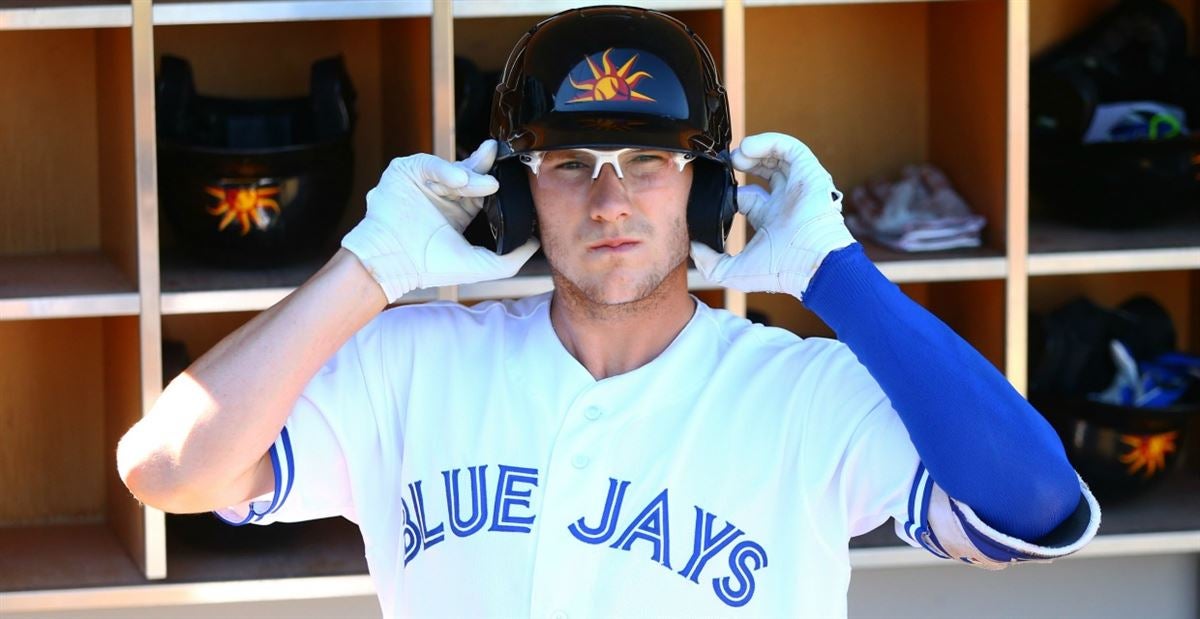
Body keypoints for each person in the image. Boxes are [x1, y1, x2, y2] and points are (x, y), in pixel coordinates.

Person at [118, 6, 1099, 617]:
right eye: (566, 165)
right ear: (509, 198)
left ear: (710, 193)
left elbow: (1031, 508)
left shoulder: (808, 393)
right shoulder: (407, 364)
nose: (610, 201)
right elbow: (167, 469)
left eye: (649, 162)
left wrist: (833, 273)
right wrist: (366, 269)